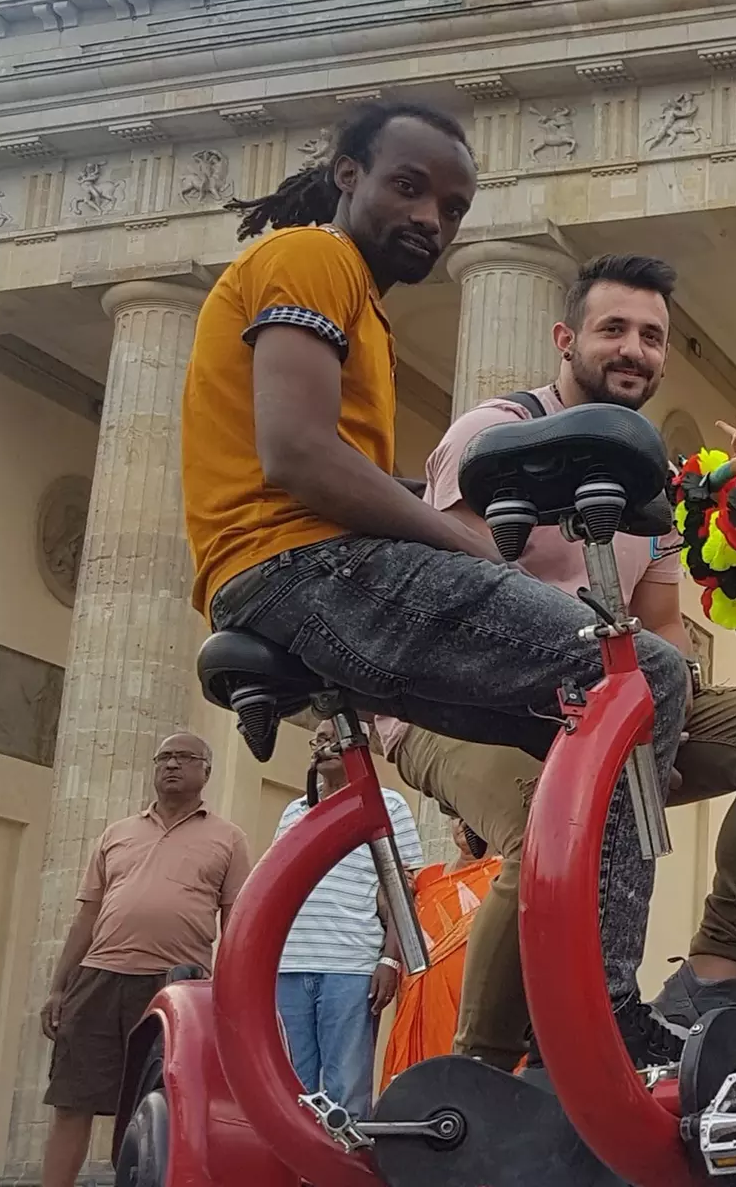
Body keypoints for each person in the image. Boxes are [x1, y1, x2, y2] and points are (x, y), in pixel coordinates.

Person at [181, 102, 687, 1060]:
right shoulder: (312, 257)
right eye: (409, 188)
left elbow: (337, 466)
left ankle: (532, 1023)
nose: (430, 219)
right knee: (643, 678)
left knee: (578, 735)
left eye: (452, 208)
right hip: (306, 567)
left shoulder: (356, 301)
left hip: (299, 572)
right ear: (347, 175)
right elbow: (297, 455)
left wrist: (427, 509)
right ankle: (605, 1010)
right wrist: (462, 542)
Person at [376, 252, 736, 1071]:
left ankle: (710, 977)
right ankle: (483, 1069)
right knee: (551, 826)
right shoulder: (494, 435)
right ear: (566, 339)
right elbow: (450, 599)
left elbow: (660, 626)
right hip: (459, 703)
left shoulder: (650, 478)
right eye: (613, 329)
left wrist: (673, 707)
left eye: (651, 337)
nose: (633, 349)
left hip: (606, 698)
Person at [38, 733, 249, 1187]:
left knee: (161, 1104)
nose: (171, 765)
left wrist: (231, 996)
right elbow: (87, 915)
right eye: (164, 757)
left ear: (206, 771)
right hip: (98, 978)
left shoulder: (229, 839)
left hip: (175, 988)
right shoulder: (117, 834)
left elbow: (236, 922)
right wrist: (58, 986)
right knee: (71, 1101)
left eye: (184, 757)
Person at [271, 721, 423, 1120]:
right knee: (291, 1091)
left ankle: (346, 1157)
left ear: (359, 744)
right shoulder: (294, 811)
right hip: (290, 965)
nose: (324, 746)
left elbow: (403, 892)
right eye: (318, 739)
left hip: (351, 967)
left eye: (333, 737)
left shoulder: (387, 805)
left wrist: (390, 959)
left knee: (347, 1092)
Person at [381, 819, 503, 1085]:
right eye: (455, 817)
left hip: (475, 1005)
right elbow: (389, 917)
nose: (462, 824)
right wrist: (396, 889)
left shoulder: (506, 876)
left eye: (468, 815)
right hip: (423, 1004)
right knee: (421, 1084)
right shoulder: (427, 878)